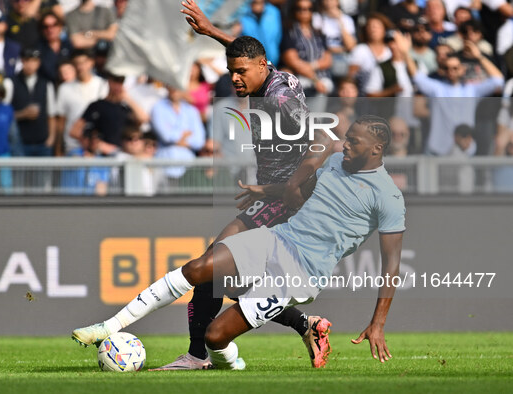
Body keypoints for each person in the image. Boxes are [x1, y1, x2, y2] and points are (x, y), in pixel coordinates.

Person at [92, 0, 333, 371]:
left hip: (291, 201)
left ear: (261, 67)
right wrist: (211, 32)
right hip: (272, 195)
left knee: (211, 269)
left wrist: (291, 186)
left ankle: (197, 353)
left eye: (240, 72)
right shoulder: (274, 75)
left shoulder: (279, 97)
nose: (234, 78)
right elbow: (247, 52)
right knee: (216, 270)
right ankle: (299, 327)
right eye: (231, 71)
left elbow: (322, 139)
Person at [72, 115, 406, 370]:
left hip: (302, 273)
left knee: (215, 337)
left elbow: (391, 264)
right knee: (200, 268)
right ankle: (111, 325)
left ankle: (243, 355)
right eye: (346, 138)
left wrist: (377, 324)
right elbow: (301, 194)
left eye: (354, 142)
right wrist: (265, 191)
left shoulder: (388, 197)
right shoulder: (335, 162)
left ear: (377, 149)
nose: (345, 145)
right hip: (276, 239)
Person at [279, 0, 333, 97]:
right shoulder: (289, 33)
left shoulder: (318, 33)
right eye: (300, 9)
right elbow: (293, 61)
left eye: (308, 9)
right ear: (294, 11)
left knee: (326, 86)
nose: (304, 12)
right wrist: (315, 79)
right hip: (300, 76)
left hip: (322, 76)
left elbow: (328, 60)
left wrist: (312, 66)